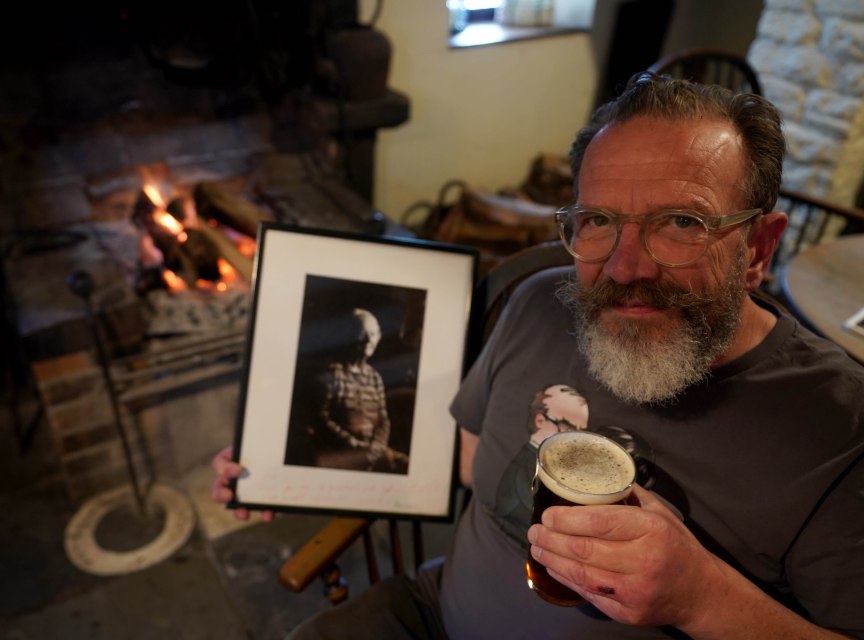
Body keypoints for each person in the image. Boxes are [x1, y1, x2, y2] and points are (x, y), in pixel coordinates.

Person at [211, 73, 864, 638]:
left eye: (682, 223)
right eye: (598, 220)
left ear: (758, 248)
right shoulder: (537, 305)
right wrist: (295, 457)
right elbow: (470, 458)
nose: (626, 266)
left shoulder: (841, 432)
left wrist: (703, 598)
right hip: (434, 618)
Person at [285, 307, 409, 473]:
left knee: (409, 466)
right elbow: (321, 421)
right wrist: (357, 448)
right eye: (362, 333)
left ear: (378, 337)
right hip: (339, 453)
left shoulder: (374, 377)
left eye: (372, 334)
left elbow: (383, 420)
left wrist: (376, 448)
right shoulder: (330, 374)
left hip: (372, 452)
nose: (368, 340)